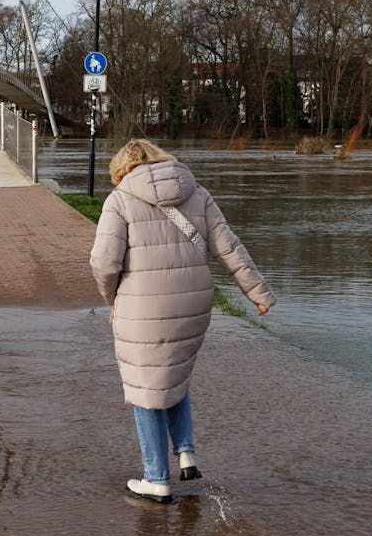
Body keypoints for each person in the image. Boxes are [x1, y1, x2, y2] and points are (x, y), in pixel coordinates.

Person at [89, 139, 275, 503]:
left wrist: (111, 297)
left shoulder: (120, 199)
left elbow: (104, 262)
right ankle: (186, 454)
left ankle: (156, 478)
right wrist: (259, 293)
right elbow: (229, 247)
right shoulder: (197, 192)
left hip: (144, 306)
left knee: (145, 388)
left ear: (121, 169)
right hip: (194, 304)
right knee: (173, 370)